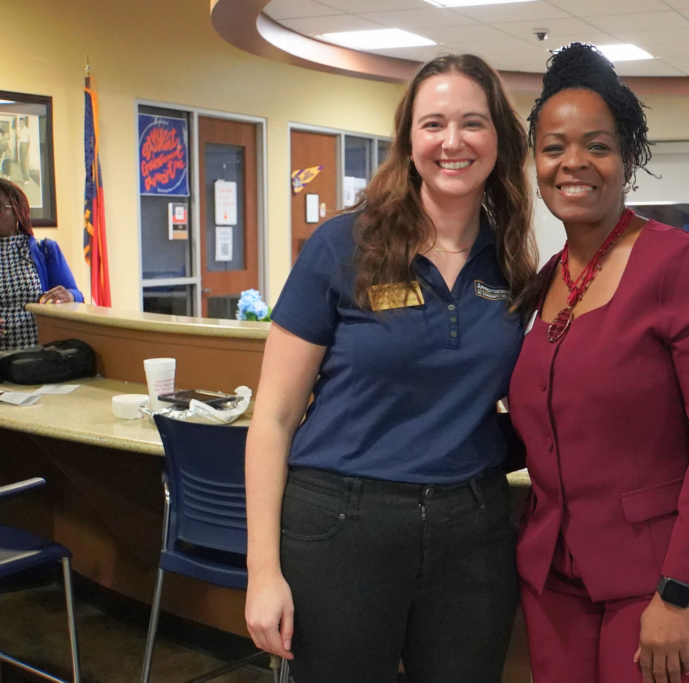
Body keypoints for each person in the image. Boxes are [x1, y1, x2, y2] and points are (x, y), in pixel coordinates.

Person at [244, 54, 537, 683]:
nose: (452, 142)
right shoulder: (344, 244)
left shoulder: (511, 258)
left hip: (472, 528)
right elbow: (273, 417)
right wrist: (262, 572)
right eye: (434, 124)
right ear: (408, 139)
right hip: (344, 524)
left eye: (473, 123)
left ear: (500, 139)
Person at [510, 44, 689, 683]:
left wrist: (680, 590)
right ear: (535, 163)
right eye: (553, 147)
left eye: (596, 146)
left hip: (664, 584)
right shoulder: (545, 280)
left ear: (628, 157)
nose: (573, 162)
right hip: (557, 581)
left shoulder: (683, 266)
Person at [0, 178, 83, 351]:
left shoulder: (44, 250)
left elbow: (77, 296)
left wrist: (68, 296)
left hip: (36, 354)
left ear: (17, 211)